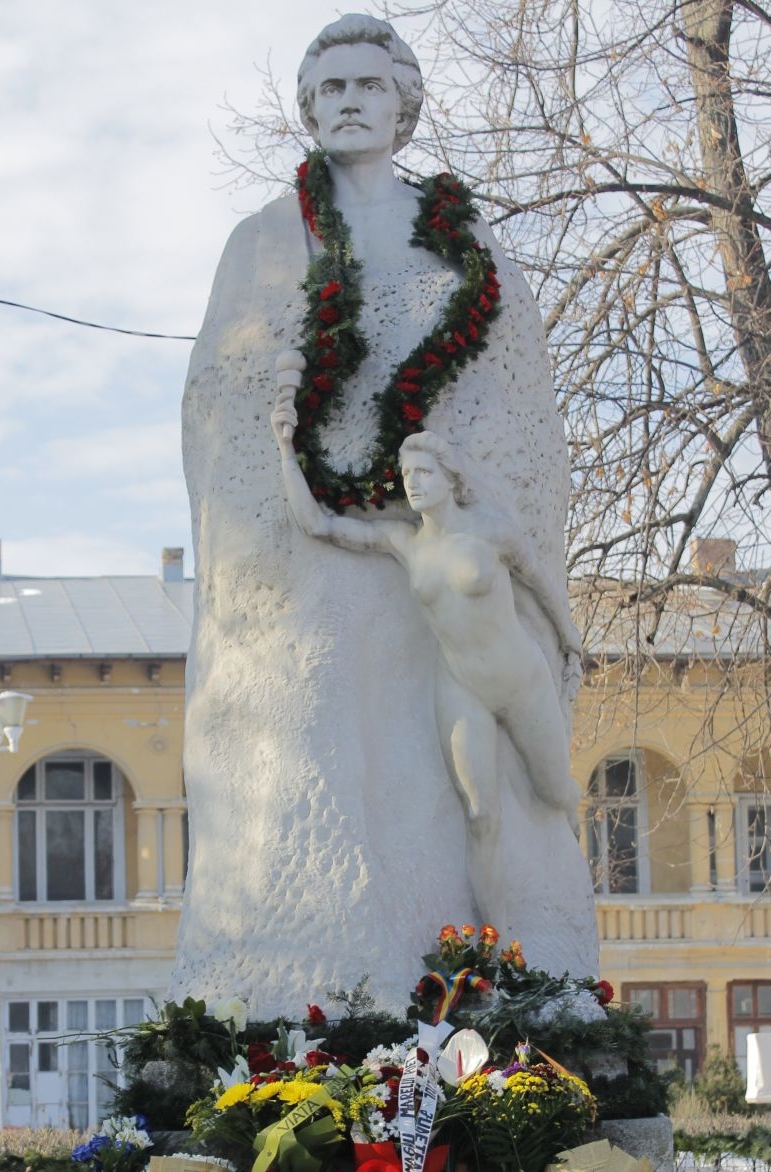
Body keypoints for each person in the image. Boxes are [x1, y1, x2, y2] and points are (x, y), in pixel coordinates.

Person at [169, 15, 599, 1018]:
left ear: (404, 106)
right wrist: (269, 415)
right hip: (312, 555)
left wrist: (470, 500)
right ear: (309, 111)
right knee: (320, 760)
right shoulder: (266, 240)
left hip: (438, 555)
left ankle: (492, 999)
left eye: (367, 84)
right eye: (328, 90)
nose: (348, 102)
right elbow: (215, 395)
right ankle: (308, 1001)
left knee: (460, 791)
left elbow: (512, 398)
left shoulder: (464, 247)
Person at [272, 376, 582, 907]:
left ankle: (574, 894)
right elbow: (318, 526)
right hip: (461, 686)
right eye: (406, 475)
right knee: (480, 814)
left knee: (556, 793)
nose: (412, 483)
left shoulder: (491, 532)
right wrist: (285, 448)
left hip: (521, 678)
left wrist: (572, 646)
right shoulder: (404, 542)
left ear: (450, 478)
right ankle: (495, 953)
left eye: (423, 473)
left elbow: (543, 586)